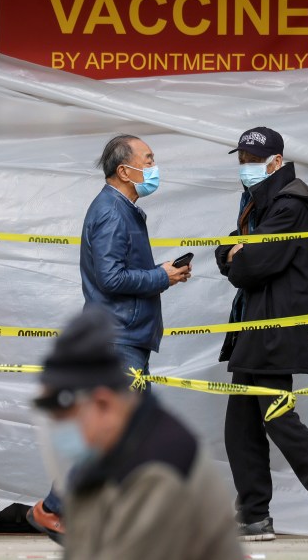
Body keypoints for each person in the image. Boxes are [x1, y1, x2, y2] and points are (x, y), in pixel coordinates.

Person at [28, 133, 191, 540]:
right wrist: (161, 276)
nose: (155, 168)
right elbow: (111, 276)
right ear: (125, 170)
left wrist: (161, 273)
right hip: (118, 338)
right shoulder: (112, 211)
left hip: (126, 335)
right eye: (149, 160)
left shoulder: (123, 209)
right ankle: (58, 510)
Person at [215, 126, 308, 542]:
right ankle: (254, 515)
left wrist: (239, 253)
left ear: (275, 161)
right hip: (256, 323)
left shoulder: (291, 202)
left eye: (252, 161)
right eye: (241, 160)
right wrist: (235, 251)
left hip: (275, 324)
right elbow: (229, 250)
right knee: (242, 425)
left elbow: (251, 264)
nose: (245, 168)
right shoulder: (263, 200)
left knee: (277, 418)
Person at [32, 308, 243, 560]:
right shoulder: (109, 454)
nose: (61, 433)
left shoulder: (156, 470)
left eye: (64, 419)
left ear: (103, 404)